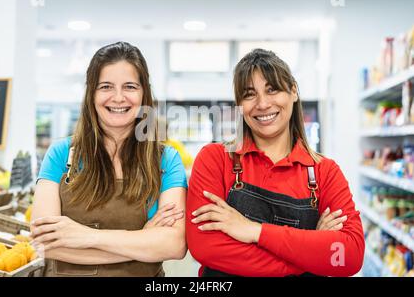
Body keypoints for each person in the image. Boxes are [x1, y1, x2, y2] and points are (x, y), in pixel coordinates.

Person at [186, 49, 365, 277]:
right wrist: (309, 257)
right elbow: (205, 247)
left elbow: (349, 255)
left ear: (293, 92)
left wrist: (255, 231)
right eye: (250, 94)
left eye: (273, 89)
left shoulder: (324, 172)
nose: (262, 104)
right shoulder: (216, 159)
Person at [31, 42, 187, 277]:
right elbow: (45, 243)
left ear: (144, 92)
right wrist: (143, 242)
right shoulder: (61, 154)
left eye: (130, 86)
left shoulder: (166, 160)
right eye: (105, 86)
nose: (118, 97)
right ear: (91, 93)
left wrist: (85, 236)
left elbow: (174, 245)